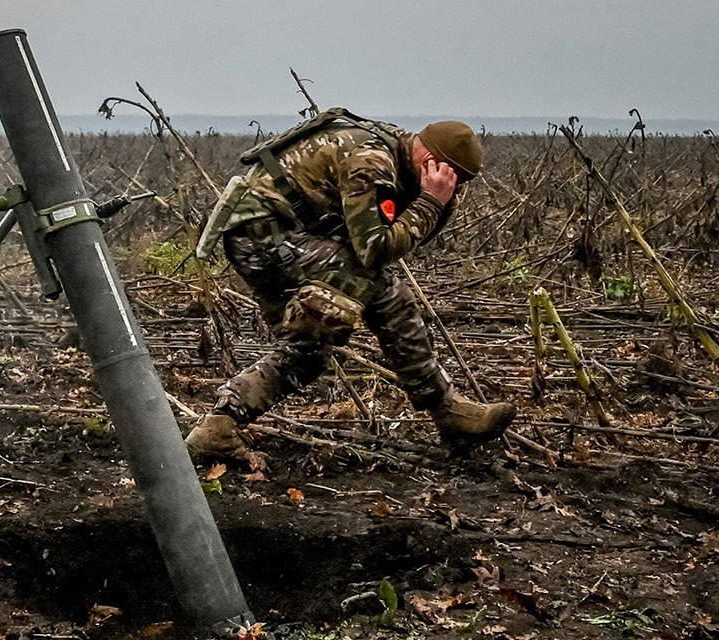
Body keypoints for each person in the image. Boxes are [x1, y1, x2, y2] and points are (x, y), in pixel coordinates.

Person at [186, 110, 515, 460]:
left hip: (287, 237)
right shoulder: (372, 163)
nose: (453, 187)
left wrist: (438, 203)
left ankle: (218, 429)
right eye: (452, 178)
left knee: (309, 353)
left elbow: (398, 239)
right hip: (263, 237)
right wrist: (431, 201)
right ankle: (448, 410)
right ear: (433, 161)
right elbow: (375, 251)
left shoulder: (401, 155)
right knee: (387, 292)